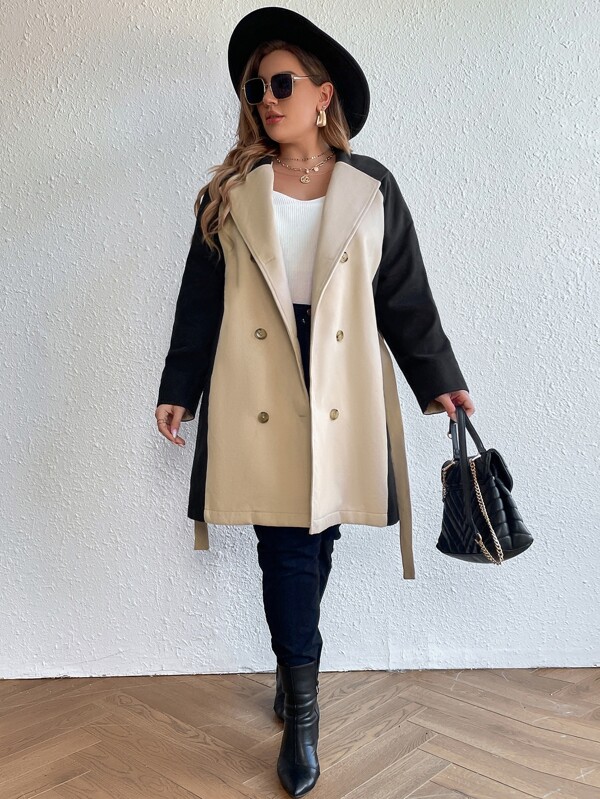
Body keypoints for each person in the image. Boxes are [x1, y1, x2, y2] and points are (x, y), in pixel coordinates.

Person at [155, 6, 475, 796]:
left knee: (318, 534)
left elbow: (403, 292)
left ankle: (290, 658)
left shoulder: (372, 186)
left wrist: (438, 377)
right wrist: (178, 389)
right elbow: (200, 300)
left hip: (341, 378)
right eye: (255, 88)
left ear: (323, 95)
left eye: (282, 84)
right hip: (257, 377)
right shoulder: (232, 190)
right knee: (287, 542)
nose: (266, 98)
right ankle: (303, 709)